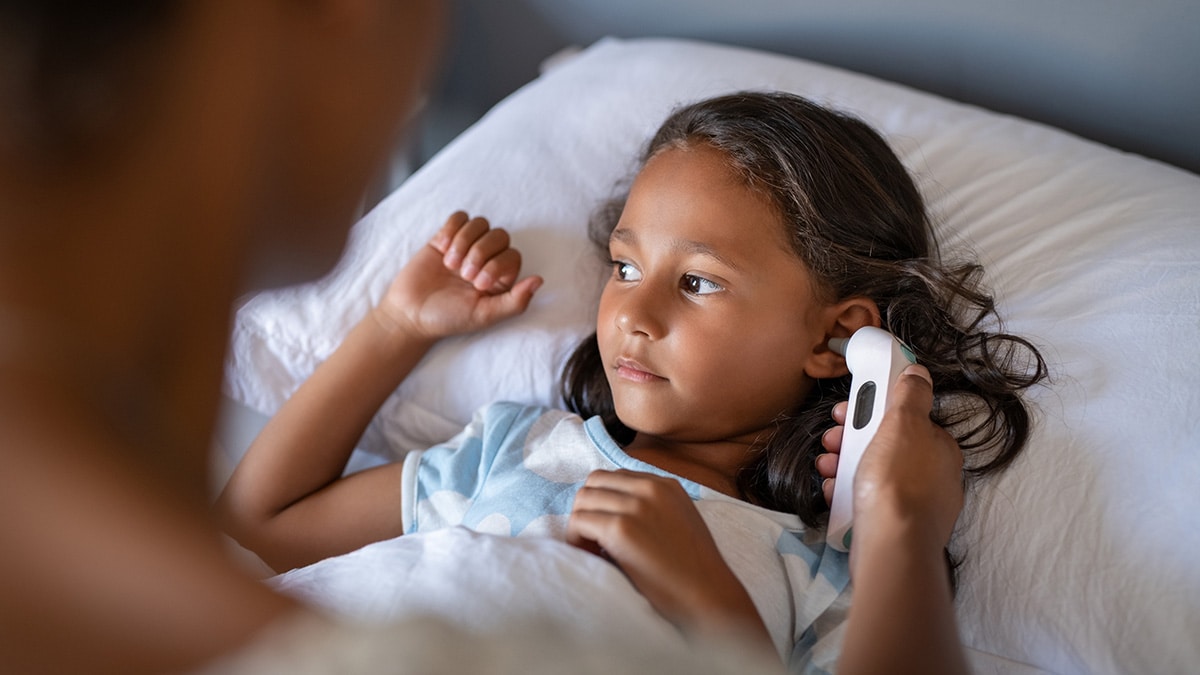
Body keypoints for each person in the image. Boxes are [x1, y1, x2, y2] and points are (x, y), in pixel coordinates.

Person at [216, 92, 1046, 670]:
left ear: (837, 337)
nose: (631, 315)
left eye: (699, 282)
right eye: (624, 264)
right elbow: (258, 526)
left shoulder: (816, 571)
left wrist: (722, 595)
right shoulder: (523, 449)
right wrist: (394, 329)